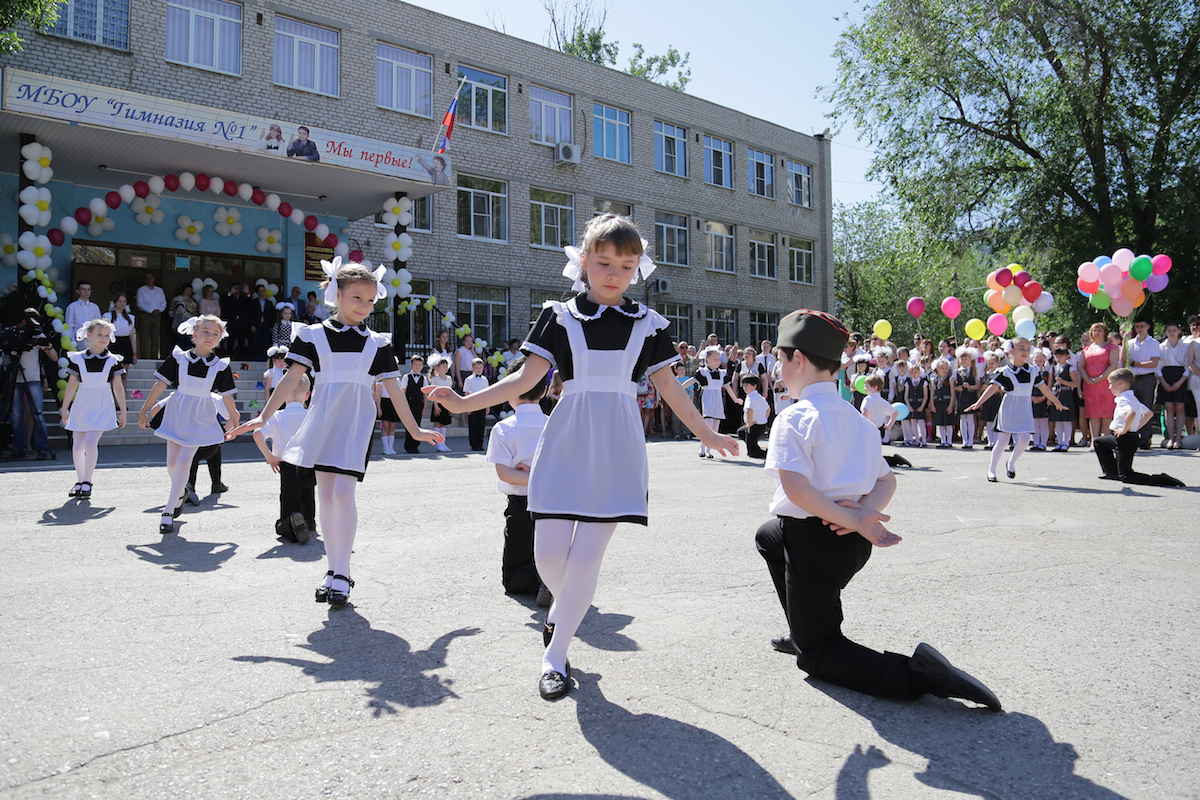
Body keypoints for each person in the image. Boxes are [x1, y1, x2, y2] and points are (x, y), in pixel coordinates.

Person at [424, 214, 738, 701]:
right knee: (548, 554)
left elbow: (669, 387)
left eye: (627, 265)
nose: (614, 272)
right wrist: (464, 403)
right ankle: (560, 613)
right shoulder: (559, 315)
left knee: (587, 559)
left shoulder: (649, 324)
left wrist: (706, 434)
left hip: (618, 444)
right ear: (584, 261)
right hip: (567, 437)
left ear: (638, 269)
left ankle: (556, 655)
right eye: (605, 261)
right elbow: (525, 379)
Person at [755, 309, 1000, 711]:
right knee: (767, 535)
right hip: (849, 545)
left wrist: (850, 517)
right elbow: (888, 480)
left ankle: (920, 676)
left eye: (780, 360)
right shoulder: (858, 419)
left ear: (797, 359)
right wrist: (861, 516)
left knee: (819, 657)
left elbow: (796, 489)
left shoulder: (795, 416)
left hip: (816, 543)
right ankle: (805, 628)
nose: (779, 369)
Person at [225, 259, 443, 605]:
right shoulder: (311, 336)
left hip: (356, 423)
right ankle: (332, 570)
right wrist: (264, 417)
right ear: (335, 294)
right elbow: (291, 379)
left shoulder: (378, 343)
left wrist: (415, 429)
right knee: (325, 496)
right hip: (322, 421)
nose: (365, 307)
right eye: (357, 298)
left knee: (343, 493)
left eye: (371, 301)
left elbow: (394, 389)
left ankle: (343, 571)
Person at [137, 315, 238, 534]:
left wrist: (234, 417)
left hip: (200, 416)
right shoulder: (179, 358)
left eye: (215, 334)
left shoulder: (221, 366)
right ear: (194, 334)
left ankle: (167, 511)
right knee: (172, 464)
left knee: (184, 462)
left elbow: (228, 396)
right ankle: (181, 491)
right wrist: (145, 409)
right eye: (205, 331)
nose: (210, 336)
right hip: (177, 411)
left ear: (220, 339)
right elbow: (160, 384)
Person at [485, 355, 551, 598]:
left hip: (519, 505)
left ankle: (537, 581)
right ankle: (550, 580)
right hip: (549, 504)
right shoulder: (553, 425)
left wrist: (527, 474)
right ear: (544, 391)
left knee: (512, 579)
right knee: (548, 552)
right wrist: (540, 475)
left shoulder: (503, 428)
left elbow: (505, 474)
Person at [965, 338, 1066, 482]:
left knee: (1025, 438)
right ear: (1011, 351)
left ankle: (1011, 462)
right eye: (1021, 348)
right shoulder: (1004, 372)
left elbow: (1044, 388)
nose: (1025, 352)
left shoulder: (1033, 371)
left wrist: (1056, 401)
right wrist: (978, 403)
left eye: (1027, 349)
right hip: (1009, 407)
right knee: (1003, 441)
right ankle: (992, 469)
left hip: (1024, 408)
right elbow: (992, 388)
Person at [61, 319, 126, 498]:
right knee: (77, 446)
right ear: (89, 335)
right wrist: (64, 408)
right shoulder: (78, 358)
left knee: (90, 443)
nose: (104, 338)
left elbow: (118, 387)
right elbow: (71, 385)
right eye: (100, 335)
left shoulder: (113, 360)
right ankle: (80, 480)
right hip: (82, 403)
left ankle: (88, 481)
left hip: (102, 404)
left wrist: (123, 411)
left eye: (107, 335)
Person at [1095, 369, 1185, 487]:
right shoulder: (1132, 398)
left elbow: (1131, 413)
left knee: (1127, 475)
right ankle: (1112, 472)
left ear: (1120, 383)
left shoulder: (1124, 399)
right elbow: (1148, 413)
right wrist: (1134, 428)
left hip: (1125, 438)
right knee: (1099, 442)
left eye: (1111, 384)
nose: (1109, 387)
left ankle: (1161, 479)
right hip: (1128, 436)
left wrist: (1125, 429)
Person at [253, 374, 316, 543]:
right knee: (307, 493)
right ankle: (308, 521)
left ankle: (290, 522)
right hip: (308, 462)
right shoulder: (311, 415)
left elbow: (257, 434)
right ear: (307, 395)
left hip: (286, 463)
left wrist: (270, 457)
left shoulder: (276, 416)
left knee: (288, 497)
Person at [7, 308, 55, 460]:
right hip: (16, 379)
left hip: (33, 379)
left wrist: (47, 345)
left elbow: (53, 357)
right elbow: (5, 361)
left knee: (37, 415)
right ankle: (20, 449)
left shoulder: (38, 335)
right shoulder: (14, 334)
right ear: (23, 322)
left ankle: (42, 450)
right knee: (16, 417)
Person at [1081, 322, 1120, 447]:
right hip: (1090, 385)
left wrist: (1101, 378)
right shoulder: (1086, 349)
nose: (1096, 333)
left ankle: (1107, 442)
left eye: (1099, 330)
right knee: (1093, 414)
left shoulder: (1111, 347)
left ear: (1105, 333)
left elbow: (1113, 364)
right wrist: (1086, 378)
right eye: (1094, 330)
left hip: (1106, 384)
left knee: (1107, 413)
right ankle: (1094, 442)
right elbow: (1081, 366)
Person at [1126, 319, 1161, 448]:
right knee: (1133, 407)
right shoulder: (1130, 343)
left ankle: (1145, 438)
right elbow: (1124, 360)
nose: (1139, 329)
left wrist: (1135, 363)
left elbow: (1153, 363)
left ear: (1148, 327)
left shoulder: (1153, 343)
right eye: (1137, 326)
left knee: (1146, 407)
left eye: (1142, 326)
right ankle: (1132, 436)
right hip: (1133, 377)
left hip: (1147, 378)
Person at [1157, 322, 1190, 449]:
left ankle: (1178, 439)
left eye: (1174, 330)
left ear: (1179, 331)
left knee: (1180, 409)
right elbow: (1157, 366)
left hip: (1180, 377)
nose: (1171, 333)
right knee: (1169, 409)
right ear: (1166, 332)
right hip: (1166, 377)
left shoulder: (1185, 346)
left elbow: (1188, 366)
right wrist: (1163, 382)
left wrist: (1180, 382)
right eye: (1169, 330)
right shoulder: (1161, 347)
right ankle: (1170, 438)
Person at [694, 345, 728, 458]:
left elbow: (728, 388)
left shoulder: (722, 373)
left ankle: (709, 450)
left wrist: (736, 399)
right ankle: (702, 447)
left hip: (718, 403)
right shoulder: (702, 372)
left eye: (719, 359)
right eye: (715, 359)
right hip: (708, 401)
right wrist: (679, 388)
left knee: (715, 428)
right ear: (707, 359)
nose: (718, 361)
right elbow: (691, 381)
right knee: (708, 424)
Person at [398, 355, 428, 453]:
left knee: (417, 425)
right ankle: (408, 446)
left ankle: (416, 445)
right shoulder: (407, 377)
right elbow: (403, 391)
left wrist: (424, 407)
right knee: (409, 425)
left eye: (419, 365)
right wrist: (403, 406)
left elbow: (425, 394)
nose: (417, 367)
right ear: (411, 365)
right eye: (415, 365)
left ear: (422, 366)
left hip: (419, 404)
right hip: (409, 405)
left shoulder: (423, 378)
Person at [136, 273, 167, 360]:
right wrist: (151, 311)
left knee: (155, 338)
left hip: (157, 316)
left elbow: (163, 303)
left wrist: (159, 310)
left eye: (150, 278)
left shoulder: (159, 290)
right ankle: (144, 358)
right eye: (147, 278)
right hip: (146, 315)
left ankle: (154, 358)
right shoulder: (141, 290)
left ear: (153, 279)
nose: (149, 280)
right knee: (144, 338)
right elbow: (139, 304)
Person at [738, 374, 770, 458]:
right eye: (744, 385)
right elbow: (768, 409)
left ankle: (767, 454)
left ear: (755, 386)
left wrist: (749, 423)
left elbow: (749, 410)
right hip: (761, 425)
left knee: (752, 452)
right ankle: (755, 447)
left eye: (747, 385)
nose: (744, 387)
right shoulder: (760, 397)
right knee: (741, 432)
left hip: (754, 426)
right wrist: (764, 418)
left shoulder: (751, 397)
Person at [426, 355, 454, 452]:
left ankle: (443, 443)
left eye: (446, 365)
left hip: (446, 403)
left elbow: (450, 392)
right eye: (443, 366)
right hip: (438, 403)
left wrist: (450, 406)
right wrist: (436, 406)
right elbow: (433, 393)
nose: (445, 368)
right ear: (437, 367)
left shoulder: (449, 378)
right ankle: (438, 444)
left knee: (444, 424)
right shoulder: (435, 379)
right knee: (438, 423)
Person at [954, 348, 979, 449]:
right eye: (962, 359)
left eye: (966, 359)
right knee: (963, 419)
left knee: (970, 418)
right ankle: (964, 440)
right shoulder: (957, 372)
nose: (964, 361)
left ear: (970, 360)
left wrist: (970, 387)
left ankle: (971, 440)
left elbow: (978, 385)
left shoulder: (974, 371)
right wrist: (958, 388)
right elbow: (953, 386)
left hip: (970, 396)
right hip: (961, 397)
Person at [463, 357, 490, 451]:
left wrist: (487, 406)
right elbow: (466, 393)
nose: (479, 369)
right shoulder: (469, 380)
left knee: (481, 425)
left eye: (481, 367)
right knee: (473, 425)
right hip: (472, 405)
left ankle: (480, 444)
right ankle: (474, 445)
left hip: (482, 404)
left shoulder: (484, 380)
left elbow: (487, 393)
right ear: (472, 368)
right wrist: (467, 407)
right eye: (477, 367)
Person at [928, 359, 956, 448]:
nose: (945, 370)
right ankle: (943, 440)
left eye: (946, 368)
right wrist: (932, 404)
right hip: (938, 403)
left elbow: (952, 393)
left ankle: (949, 441)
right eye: (942, 368)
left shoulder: (950, 379)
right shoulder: (934, 379)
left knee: (948, 423)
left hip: (946, 402)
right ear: (938, 369)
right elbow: (932, 393)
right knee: (940, 423)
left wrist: (951, 405)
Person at [65, 280, 101, 347]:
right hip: (78, 338)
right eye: (83, 289)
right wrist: (72, 341)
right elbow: (69, 325)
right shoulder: (72, 306)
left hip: (92, 338)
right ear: (78, 291)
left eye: (88, 289)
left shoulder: (95, 307)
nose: (86, 292)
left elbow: (98, 324)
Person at [106, 293, 137, 364]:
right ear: (115, 303)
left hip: (126, 342)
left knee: (125, 368)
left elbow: (132, 336)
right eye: (120, 301)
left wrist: (134, 353)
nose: (122, 303)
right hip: (113, 342)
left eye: (124, 301)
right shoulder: (108, 316)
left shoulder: (130, 318)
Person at [224, 283, 252, 360]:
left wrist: (247, 293)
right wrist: (231, 292)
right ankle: (228, 358)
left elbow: (250, 303)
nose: (237, 290)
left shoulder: (243, 298)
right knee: (230, 341)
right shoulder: (229, 298)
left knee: (242, 342)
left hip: (241, 324)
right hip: (232, 323)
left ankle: (242, 358)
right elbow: (223, 300)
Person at [249, 283, 275, 360]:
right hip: (257, 325)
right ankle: (255, 360)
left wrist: (271, 326)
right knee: (255, 344)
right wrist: (252, 325)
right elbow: (251, 314)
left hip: (266, 326)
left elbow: (272, 316)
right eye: (260, 291)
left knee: (265, 344)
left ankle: (264, 360)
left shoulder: (269, 303)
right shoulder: (254, 302)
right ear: (257, 292)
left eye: (263, 290)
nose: (262, 292)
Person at [169, 285, 198, 351]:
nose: (189, 291)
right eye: (187, 289)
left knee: (189, 343)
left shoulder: (193, 301)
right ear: (183, 290)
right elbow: (171, 310)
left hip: (190, 325)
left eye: (190, 290)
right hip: (179, 323)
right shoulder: (177, 299)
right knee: (180, 342)